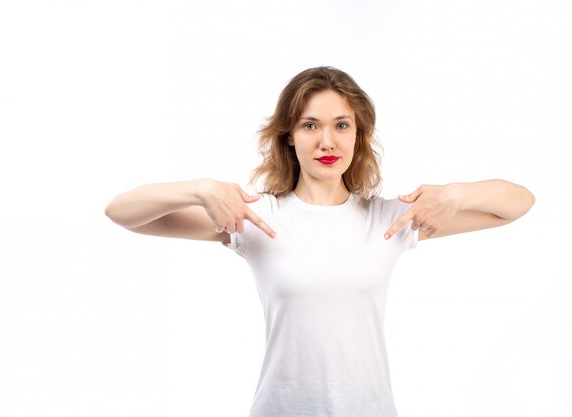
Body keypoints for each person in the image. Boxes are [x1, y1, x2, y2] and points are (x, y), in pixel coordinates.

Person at [104, 66, 535, 417]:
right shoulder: (256, 219)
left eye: (341, 125)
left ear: (357, 136)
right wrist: (198, 188)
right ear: (289, 136)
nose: (327, 141)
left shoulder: (390, 219)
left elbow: (517, 204)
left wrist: (456, 193)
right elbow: (123, 213)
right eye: (310, 125)